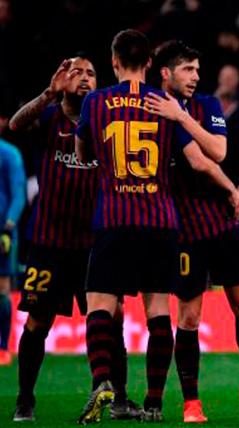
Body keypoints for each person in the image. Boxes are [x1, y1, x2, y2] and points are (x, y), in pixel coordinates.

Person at [74, 29, 239, 424]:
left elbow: (84, 154)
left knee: (101, 305)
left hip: (114, 217)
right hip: (160, 220)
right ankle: (153, 403)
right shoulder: (163, 105)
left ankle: (103, 382)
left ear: (114, 61)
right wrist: (230, 187)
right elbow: (201, 161)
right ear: (150, 64)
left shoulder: (96, 102)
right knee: (157, 312)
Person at [146, 39, 239, 423]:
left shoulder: (206, 104)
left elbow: (218, 152)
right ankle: (192, 402)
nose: (195, 77)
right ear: (165, 73)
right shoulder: (153, 111)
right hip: (184, 229)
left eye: (196, 69)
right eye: (187, 70)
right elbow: (196, 160)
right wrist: (229, 187)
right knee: (189, 317)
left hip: (224, 225)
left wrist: (182, 117)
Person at [8, 55, 142, 422]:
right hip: (48, 242)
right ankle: (25, 399)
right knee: (38, 321)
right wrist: (48, 93)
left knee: (112, 317)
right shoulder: (49, 117)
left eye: (91, 73)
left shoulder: (105, 122)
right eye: (76, 72)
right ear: (62, 79)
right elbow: (16, 125)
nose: (84, 78)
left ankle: (119, 398)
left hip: (96, 243)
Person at [0, 110, 24, 368]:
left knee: (2, 290)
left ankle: (3, 348)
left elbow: (18, 194)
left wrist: (7, 227)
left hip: (2, 233)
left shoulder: (8, 154)